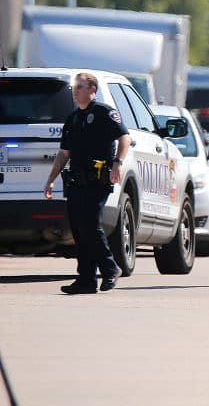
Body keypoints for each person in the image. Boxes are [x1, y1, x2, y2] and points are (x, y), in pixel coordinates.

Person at [43, 72, 130, 294]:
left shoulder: (103, 113)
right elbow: (64, 153)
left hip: (97, 180)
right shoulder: (73, 119)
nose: (75, 91)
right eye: (74, 87)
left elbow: (124, 138)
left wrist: (118, 163)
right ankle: (86, 280)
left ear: (92, 89)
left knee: (92, 226)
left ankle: (111, 269)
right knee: (79, 231)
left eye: (80, 87)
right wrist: (51, 179)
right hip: (76, 182)